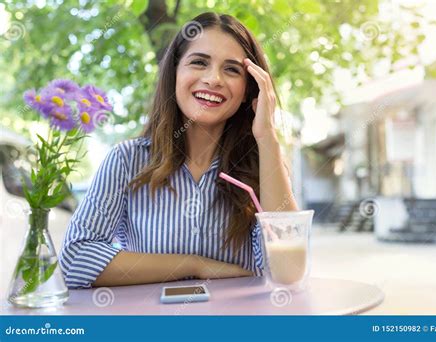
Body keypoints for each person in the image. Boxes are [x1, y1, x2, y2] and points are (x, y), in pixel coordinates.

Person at [58, 12, 298, 288]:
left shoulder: (262, 165)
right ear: (174, 73)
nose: (213, 79)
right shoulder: (127, 160)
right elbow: (76, 261)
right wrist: (193, 265)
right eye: (199, 62)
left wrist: (267, 136)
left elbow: (288, 272)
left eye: (232, 69)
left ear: (249, 91)